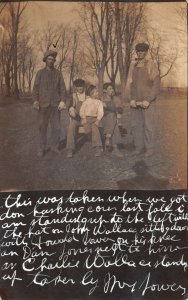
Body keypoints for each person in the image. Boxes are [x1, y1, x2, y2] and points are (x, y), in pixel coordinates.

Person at [128, 42, 160, 157]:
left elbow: (156, 85)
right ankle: (138, 147)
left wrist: (149, 99)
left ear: (146, 52)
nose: (140, 53)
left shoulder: (151, 65)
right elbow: (131, 85)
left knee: (148, 126)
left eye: (142, 51)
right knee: (136, 125)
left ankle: (149, 148)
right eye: (138, 51)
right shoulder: (134, 66)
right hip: (136, 102)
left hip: (147, 102)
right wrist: (132, 99)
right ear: (136, 52)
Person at [32, 50, 66, 157]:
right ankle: (42, 148)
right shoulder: (40, 73)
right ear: (45, 60)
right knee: (42, 127)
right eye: (49, 59)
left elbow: (62, 89)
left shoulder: (58, 73)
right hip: (43, 105)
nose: (51, 61)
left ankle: (54, 146)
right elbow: (35, 89)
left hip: (55, 106)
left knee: (56, 127)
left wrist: (62, 101)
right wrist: (35, 100)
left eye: (53, 59)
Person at [79, 85, 104, 157]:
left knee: (95, 129)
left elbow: (101, 112)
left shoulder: (99, 102)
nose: (97, 93)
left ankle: (98, 147)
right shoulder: (86, 101)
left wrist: (98, 120)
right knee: (87, 131)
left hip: (95, 119)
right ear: (91, 93)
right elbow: (82, 110)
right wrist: (83, 118)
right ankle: (94, 141)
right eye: (96, 92)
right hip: (87, 118)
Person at [102, 82, 124, 158]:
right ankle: (115, 149)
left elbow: (120, 109)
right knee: (112, 117)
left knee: (113, 118)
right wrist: (114, 109)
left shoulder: (115, 98)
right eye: (110, 89)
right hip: (103, 120)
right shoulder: (102, 99)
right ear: (105, 91)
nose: (112, 90)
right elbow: (103, 111)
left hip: (112, 120)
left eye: (112, 88)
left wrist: (110, 107)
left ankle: (108, 139)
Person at [66, 79, 87, 158]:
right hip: (77, 118)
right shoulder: (73, 96)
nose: (80, 88)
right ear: (75, 87)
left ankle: (98, 145)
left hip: (87, 118)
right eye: (78, 86)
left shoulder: (88, 95)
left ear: (84, 86)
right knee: (71, 126)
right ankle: (70, 149)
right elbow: (69, 108)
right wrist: (72, 111)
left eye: (81, 86)